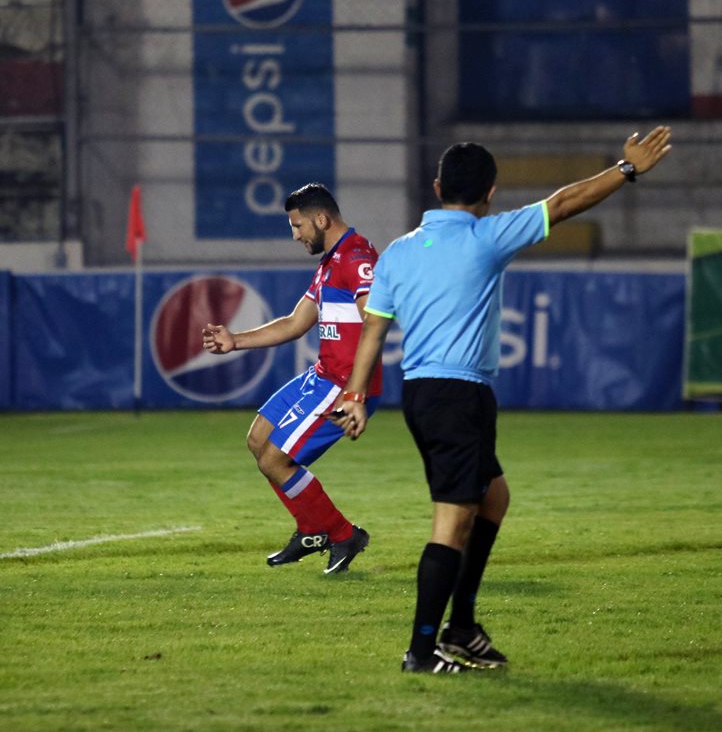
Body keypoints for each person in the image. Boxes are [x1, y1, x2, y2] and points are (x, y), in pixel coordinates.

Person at [329, 128, 673, 673]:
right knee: (451, 522)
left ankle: (462, 627)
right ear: (490, 192)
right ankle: (422, 651)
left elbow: (373, 330)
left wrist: (356, 395)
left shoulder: (398, 252)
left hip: (423, 395)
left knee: (494, 498)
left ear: (438, 186)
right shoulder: (486, 238)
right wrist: (625, 169)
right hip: (457, 396)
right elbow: (562, 204)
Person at [202, 183, 378, 574]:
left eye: (298, 226)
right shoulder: (331, 262)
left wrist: (357, 392)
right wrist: (235, 341)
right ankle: (312, 529)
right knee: (258, 439)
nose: (295, 234)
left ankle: (340, 533)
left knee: (274, 459)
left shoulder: (357, 258)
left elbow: (375, 323)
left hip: (343, 385)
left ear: (321, 219)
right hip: (322, 375)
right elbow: (296, 323)